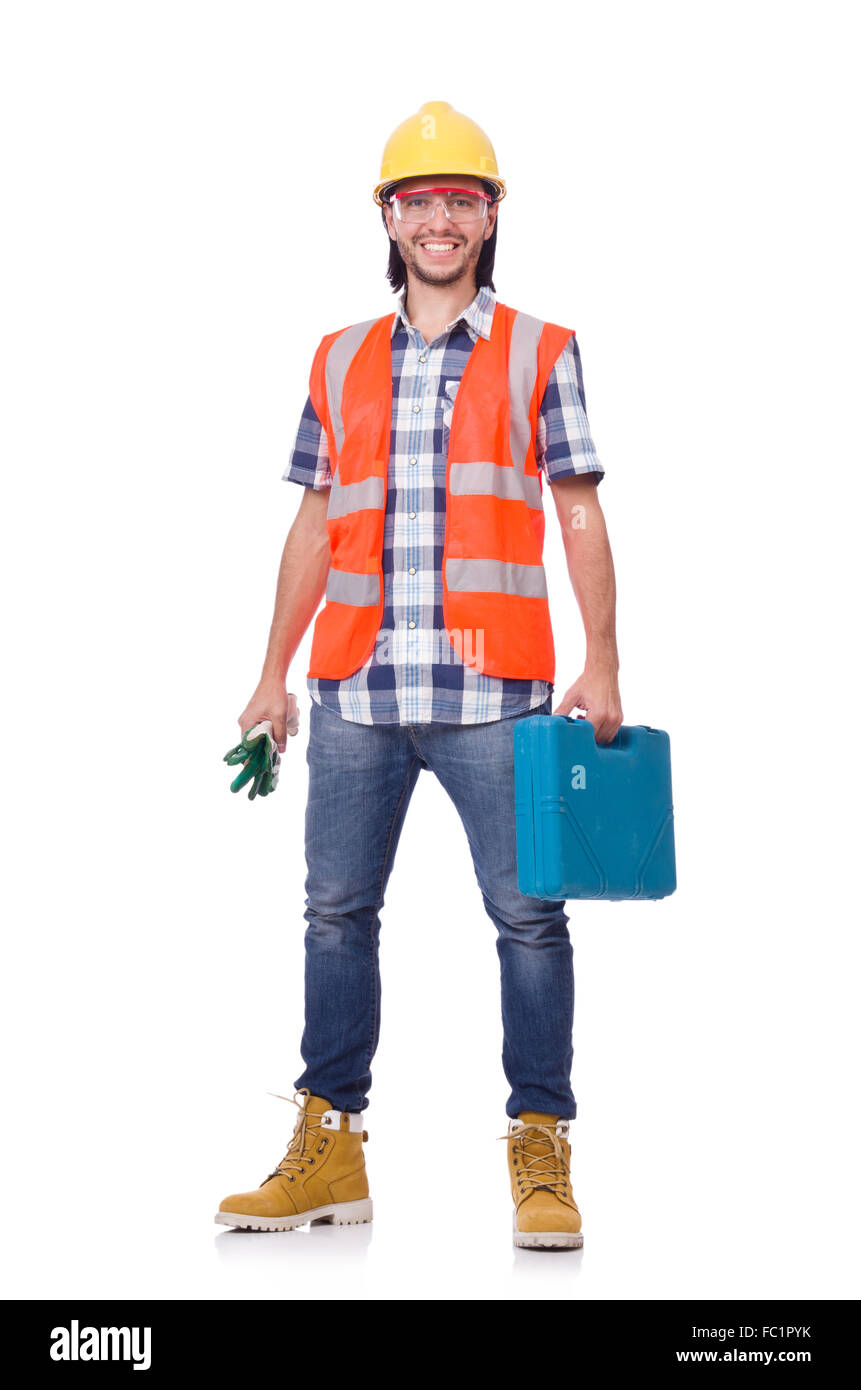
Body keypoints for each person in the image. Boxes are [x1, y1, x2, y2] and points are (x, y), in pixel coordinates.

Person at [215, 100, 622, 1250]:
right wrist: (270, 673)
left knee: (530, 920)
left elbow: (579, 510)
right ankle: (329, 1143)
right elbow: (311, 521)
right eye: (418, 201)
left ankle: (541, 1143)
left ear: (491, 217)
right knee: (336, 915)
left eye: (462, 200)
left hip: (498, 697)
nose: (439, 220)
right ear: (387, 219)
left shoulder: (545, 346)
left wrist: (602, 657)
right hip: (355, 694)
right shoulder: (337, 355)